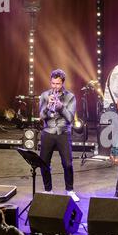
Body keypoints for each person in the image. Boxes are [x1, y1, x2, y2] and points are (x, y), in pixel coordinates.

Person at [39, 68, 79, 201]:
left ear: (63, 83)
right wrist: (47, 106)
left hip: (63, 132)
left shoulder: (70, 97)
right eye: (53, 83)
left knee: (67, 163)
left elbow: (70, 118)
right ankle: (48, 190)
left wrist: (60, 106)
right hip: (48, 132)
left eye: (58, 84)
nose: (55, 87)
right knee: (44, 163)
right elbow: (41, 116)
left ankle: (70, 190)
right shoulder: (45, 95)